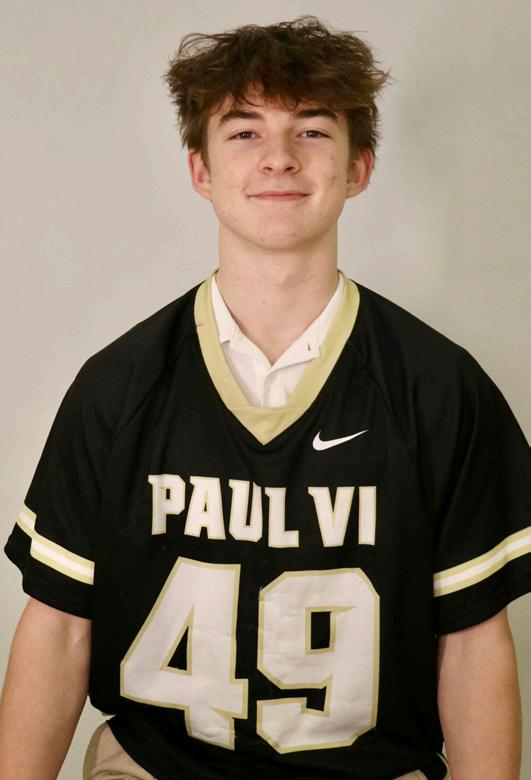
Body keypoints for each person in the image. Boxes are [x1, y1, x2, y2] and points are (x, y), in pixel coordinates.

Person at [0, 14, 529, 780]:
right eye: (244, 132)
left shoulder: (438, 387)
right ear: (200, 169)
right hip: (157, 768)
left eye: (311, 131)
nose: (278, 157)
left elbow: (474, 643)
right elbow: (58, 627)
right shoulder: (120, 385)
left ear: (358, 167)